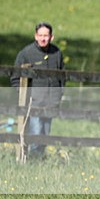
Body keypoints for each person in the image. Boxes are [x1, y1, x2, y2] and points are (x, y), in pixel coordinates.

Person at [10, 22, 64, 158]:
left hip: (51, 103)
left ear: (52, 37)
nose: (43, 38)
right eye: (40, 35)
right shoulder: (26, 53)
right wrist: (25, 97)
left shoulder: (57, 54)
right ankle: (33, 162)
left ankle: (39, 162)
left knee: (45, 136)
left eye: (46, 35)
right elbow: (15, 78)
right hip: (33, 104)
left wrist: (58, 96)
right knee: (35, 134)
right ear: (35, 36)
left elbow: (62, 78)